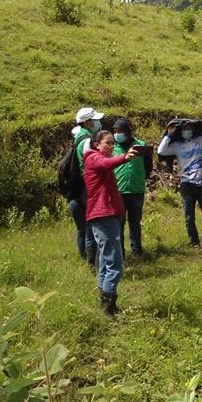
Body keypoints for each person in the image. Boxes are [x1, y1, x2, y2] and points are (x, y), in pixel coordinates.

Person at [84, 130, 140, 314]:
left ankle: (107, 303)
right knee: (115, 262)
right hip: (103, 215)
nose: (111, 146)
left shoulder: (99, 160)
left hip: (106, 215)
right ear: (97, 144)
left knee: (105, 262)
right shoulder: (93, 158)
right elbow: (106, 163)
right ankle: (108, 305)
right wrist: (125, 157)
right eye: (108, 143)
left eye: (112, 143)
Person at [156, 118, 202, 250]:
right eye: (184, 129)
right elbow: (161, 151)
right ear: (180, 131)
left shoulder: (201, 140)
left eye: (189, 128)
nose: (187, 131)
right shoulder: (176, 145)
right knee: (189, 217)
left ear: (194, 129)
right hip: (187, 185)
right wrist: (169, 135)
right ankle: (194, 242)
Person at [69, 107, 104, 269]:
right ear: (86, 122)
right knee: (92, 225)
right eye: (95, 120)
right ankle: (93, 262)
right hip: (89, 186)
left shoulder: (78, 138)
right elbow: (93, 164)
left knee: (84, 227)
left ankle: (85, 257)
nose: (97, 123)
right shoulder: (87, 141)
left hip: (82, 187)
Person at [110, 118, 150, 258]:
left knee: (135, 223)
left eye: (119, 131)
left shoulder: (141, 145)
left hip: (137, 190)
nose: (117, 134)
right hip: (119, 191)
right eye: (115, 131)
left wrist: (139, 179)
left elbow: (148, 167)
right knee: (118, 224)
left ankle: (137, 251)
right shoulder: (112, 148)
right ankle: (120, 253)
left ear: (127, 132)